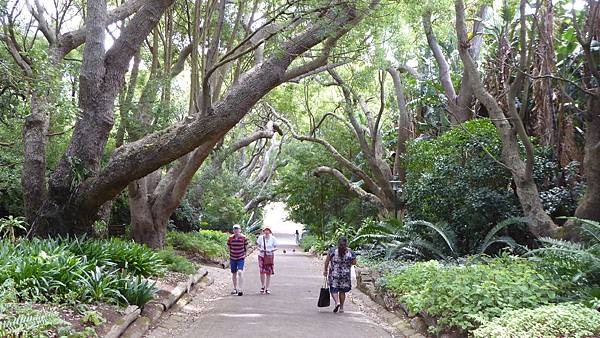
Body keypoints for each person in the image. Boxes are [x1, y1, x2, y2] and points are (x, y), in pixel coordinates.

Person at [323, 236, 356, 313]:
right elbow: (354, 262)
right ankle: (341, 307)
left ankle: (336, 302)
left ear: (338, 243)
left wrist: (325, 270)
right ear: (346, 243)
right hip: (345, 275)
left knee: (333, 289)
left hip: (334, 273)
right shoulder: (350, 252)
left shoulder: (333, 250)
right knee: (342, 291)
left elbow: (327, 261)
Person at [227, 224, 249, 296]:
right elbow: (229, 247)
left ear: (240, 230)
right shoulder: (230, 238)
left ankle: (240, 289)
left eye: (237, 229)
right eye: (234, 229)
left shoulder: (243, 238)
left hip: (240, 257)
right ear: (233, 230)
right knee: (234, 273)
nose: (236, 231)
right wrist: (230, 254)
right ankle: (235, 288)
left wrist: (244, 255)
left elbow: (246, 247)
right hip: (233, 257)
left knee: (240, 272)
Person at [257, 227, 277, 294]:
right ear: (263, 231)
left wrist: (271, 250)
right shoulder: (260, 238)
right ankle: (262, 286)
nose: (266, 232)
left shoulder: (273, 238)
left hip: (269, 256)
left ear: (270, 231)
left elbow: (275, 247)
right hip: (261, 255)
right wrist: (260, 249)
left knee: (268, 272)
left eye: (268, 230)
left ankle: (267, 288)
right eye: (265, 230)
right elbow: (258, 246)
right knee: (261, 271)